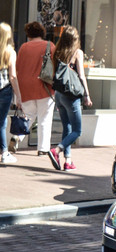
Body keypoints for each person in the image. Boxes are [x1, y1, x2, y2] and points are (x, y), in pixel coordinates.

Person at [47, 25, 92, 171]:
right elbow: (81, 75)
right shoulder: (77, 52)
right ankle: (57, 150)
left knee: (67, 127)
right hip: (71, 95)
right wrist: (87, 94)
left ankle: (68, 161)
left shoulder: (57, 51)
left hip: (59, 94)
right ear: (75, 39)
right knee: (77, 131)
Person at [16, 21, 56, 156]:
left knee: (28, 116)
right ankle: (43, 149)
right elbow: (55, 67)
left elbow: (18, 68)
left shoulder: (23, 47)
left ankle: (17, 137)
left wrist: (17, 94)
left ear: (28, 34)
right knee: (45, 118)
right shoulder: (50, 46)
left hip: (25, 87)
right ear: (42, 32)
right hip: (45, 87)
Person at [0, 22, 22, 164]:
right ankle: (4, 153)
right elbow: (13, 76)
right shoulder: (10, 52)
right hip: (5, 91)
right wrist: (18, 96)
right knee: (1, 123)